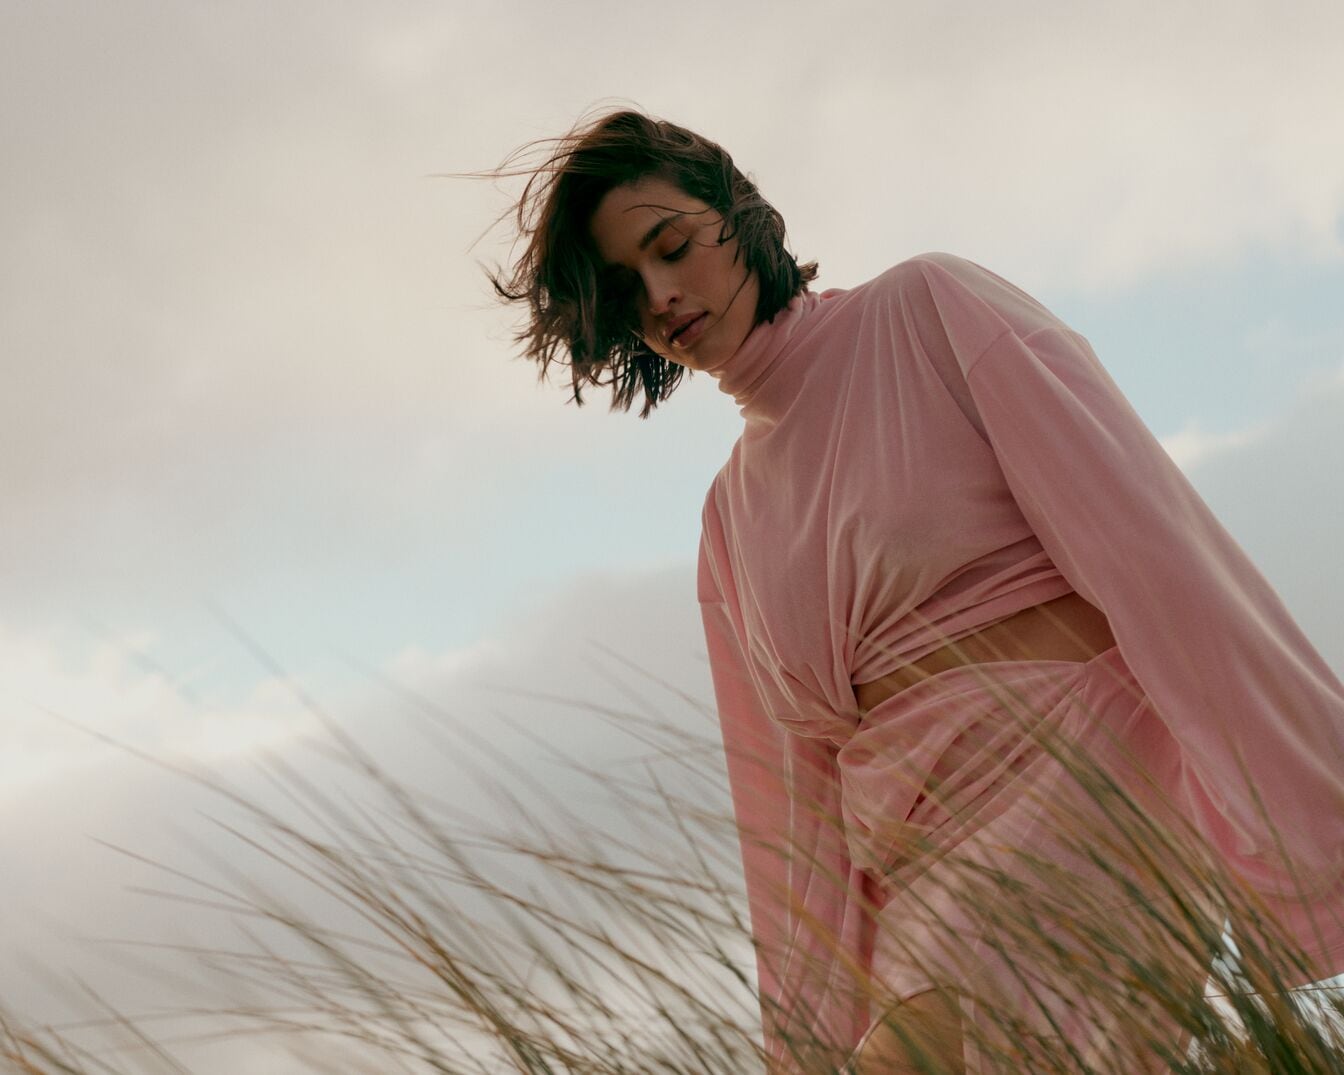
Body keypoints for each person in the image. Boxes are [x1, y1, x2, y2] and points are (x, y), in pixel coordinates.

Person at [488, 108, 1344, 1073]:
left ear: (737, 208)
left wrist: (1311, 803)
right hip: (907, 869)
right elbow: (792, 824)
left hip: (1082, 784)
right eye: (626, 288)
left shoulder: (928, 309)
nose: (663, 293)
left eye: (673, 245)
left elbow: (1154, 547)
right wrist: (802, 1046)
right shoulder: (726, 523)